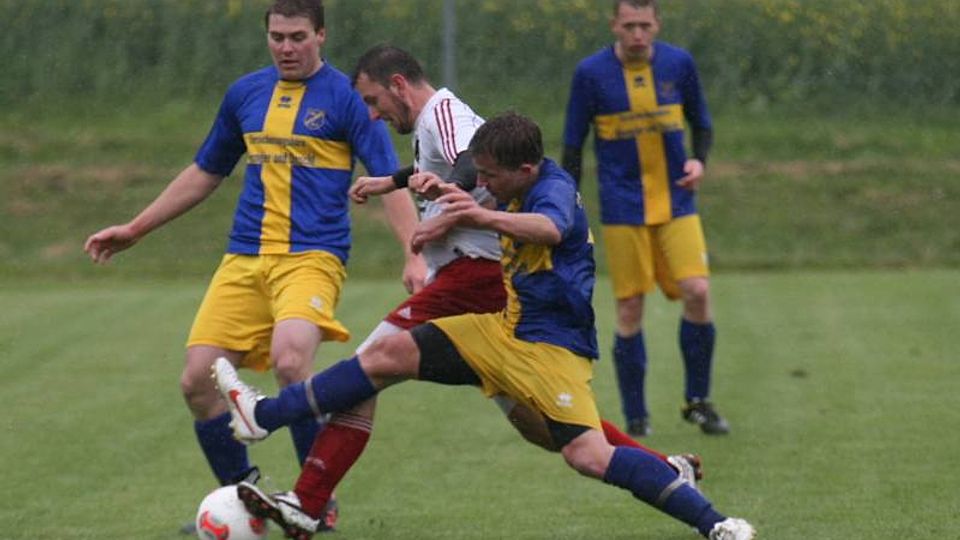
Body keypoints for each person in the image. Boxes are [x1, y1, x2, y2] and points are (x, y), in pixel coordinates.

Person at [214, 112, 756, 540]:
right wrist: (396, 181)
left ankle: (717, 524)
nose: (483, 185)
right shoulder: (510, 169)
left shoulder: (552, 191)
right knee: (385, 356)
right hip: (500, 330)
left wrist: (479, 216)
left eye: (492, 178)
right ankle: (263, 416)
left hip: (549, 350)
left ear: (526, 170)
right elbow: (467, 171)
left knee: (586, 454)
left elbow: (549, 229)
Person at [83, 0, 425, 532]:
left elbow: (390, 181)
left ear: (321, 36)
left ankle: (315, 502)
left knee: (291, 361)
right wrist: (135, 228)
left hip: (311, 257)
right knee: (197, 382)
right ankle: (244, 500)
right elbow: (205, 171)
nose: (286, 48)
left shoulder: (347, 97)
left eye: (297, 37)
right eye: (277, 37)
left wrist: (412, 252)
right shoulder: (245, 93)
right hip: (244, 257)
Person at [562, 0, 728, 437]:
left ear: (657, 25)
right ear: (614, 26)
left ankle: (698, 401)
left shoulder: (679, 63)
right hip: (622, 208)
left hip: (678, 202)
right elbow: (573, 144)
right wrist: (567, 205)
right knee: (630, 305)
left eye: (645, 25)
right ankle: (637, 416)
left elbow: (702, 123)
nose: (637, 34)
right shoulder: (591, 73)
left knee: (698, 291)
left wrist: (699, 161)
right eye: (629, 25)